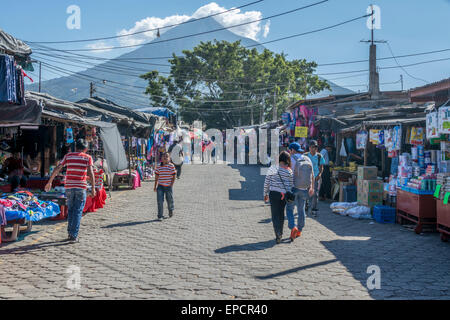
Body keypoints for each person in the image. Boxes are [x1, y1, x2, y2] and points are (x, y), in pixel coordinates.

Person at [45, 139, 96, 243]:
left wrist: (50, 181)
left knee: (71, 210)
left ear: (76, 147)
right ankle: (73, 235)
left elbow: (58, 167)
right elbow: (91, 172)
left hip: (68, 187)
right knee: (77, 211)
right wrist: (93, 188)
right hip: (80, 188)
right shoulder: (88, 157)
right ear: (85, 148)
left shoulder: (68, 156)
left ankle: (70, 233)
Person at [285, 143, 315, 242]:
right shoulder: (307, 159)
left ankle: (293, 227)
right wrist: (312, 188)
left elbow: (287, 174)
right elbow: (312, 175)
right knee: (301, 209)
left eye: (290, 150)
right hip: (304, 188)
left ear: (292, 150)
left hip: (293, 188)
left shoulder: (291, 159)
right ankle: (299, 230)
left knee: (289, 208)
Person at [263, 151, 293, 244]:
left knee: (275, 215)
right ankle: (280, 232)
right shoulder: (289, 170)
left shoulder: (272, 168)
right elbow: (291, 185)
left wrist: (265, 194)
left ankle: (278, 234)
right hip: (283, 195)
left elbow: (267, 182)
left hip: (274, 194)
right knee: (281, 214)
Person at [305, 140, 325, 217]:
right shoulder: (305, 156)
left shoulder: (319, 156)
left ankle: (314, 208)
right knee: (306, 193)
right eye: (312, 147)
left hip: (315, 177)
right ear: (309, 148)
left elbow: (321, 167)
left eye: (315, 147)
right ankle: (306, 204)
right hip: (307, 177)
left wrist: (319, 174)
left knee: (315, 194)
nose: (314, 149)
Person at [154, 152, 176, 221]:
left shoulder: (171, 166)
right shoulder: (159, 167)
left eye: (167, 156)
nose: (165, 158)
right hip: (160, 186)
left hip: (168, 186)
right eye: (164, 156)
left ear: (169, 158)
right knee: (160, 201)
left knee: (170, 200)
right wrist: (155, 186)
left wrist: (171, 184)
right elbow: (156, 177)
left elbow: (174, 176)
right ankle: (160, 215)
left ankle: (170, 210)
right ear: (161, 159)